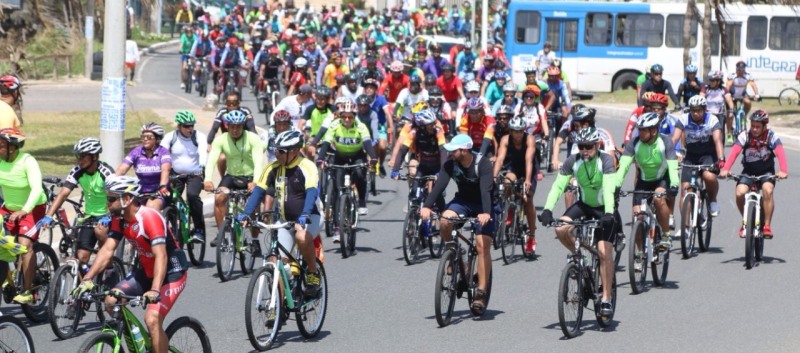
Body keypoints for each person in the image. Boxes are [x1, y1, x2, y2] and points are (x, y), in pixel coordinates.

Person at [72, 175, 189, 353]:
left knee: (152, 319)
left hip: (172, 272)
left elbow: (161, 256)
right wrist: (87, 278)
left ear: (126, 199)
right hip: (147, 271)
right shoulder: (119, 220)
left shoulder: (149, 218)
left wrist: (155, 290)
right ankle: (138, 341)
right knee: (111, 301)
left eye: (111, 199)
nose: (107, 203)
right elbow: (107, 250)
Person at [539, 127, 618, 316]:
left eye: (588, 147)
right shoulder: (573, 161)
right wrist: (548, 209)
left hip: (603, 208)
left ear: (597, 145)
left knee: (603, 251)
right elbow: (558, 185)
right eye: (581, 146)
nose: (584, 150)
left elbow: (608, 189)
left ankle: (606, 297)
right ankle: (579, 257)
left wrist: (608, 213)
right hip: (584, 205)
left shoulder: (605, 160)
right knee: (560, 229)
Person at [419, 134, 495, 314]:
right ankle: (454, 250)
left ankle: (481, 293)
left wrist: (486, 213)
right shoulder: (450, 165)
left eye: (454, 150)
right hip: (463, 202)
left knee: (481, 245)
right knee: (445, 220)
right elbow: (440, 187)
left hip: (485, 205)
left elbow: (486, 190)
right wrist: (427, 207)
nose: (450, 153)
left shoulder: (482, 164)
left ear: (465, 150)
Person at [240, 130, 322, 298]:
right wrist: (246, 214)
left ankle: (313, 273)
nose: (276, 154)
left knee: (301, 236)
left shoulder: (307, 166)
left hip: (310, 217)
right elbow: (258, 192)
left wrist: (305, 215)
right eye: (276, 150)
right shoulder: (272, 167)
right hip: (285, 220)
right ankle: (278, 306)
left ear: (294, 151)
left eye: (281, 151)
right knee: (274, 262)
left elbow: (312, 193)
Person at [37, 138, 115, 274]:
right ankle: (86, 287)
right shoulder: (77, 171)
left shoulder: (106, 172)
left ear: (94, 156)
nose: (79, 159)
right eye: (78, 156)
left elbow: (114, 197)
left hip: (108, 215)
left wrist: (108, 215)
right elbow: (63, 194)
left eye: (83, 156)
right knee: (81, 258)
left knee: (100, 231)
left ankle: (109, 269)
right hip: (90, 216)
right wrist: (48, 215)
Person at [616, 112, 680, 250]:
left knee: (658, 198)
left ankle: (666, 235)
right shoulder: (634, 143)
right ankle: (639, 256)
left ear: (654, 130)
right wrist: (615, 185)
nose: (640, 133)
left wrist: (674, 183)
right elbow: (623, 166)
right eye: (639, 129)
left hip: (662, 179)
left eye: (643, 130)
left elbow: (673, 166)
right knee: (638, 218)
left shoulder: (665, 141)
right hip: (643, 181)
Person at [719, 110, 789, 238]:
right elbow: (734, 152)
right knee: (740, 192)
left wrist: (783, 170)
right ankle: (746, 221)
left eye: (758, 127)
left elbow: (780, 153)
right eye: (753, 126)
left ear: (764, 126)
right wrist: (726, 169)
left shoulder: (771, 137)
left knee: (767, 190)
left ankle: (767, 225)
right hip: (749, 171)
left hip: (766, 172)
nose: (755, 129)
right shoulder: (744, 136)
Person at [316, 100, 378, 240]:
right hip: (340, 157)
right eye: (344, 116)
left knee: (360, 173)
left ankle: (362, 201)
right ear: (340, 116)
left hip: (357, 156)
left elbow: (367, 143)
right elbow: (326, 142)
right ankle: (338, 228)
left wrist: (373, 158)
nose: (347, 120)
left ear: (354, 116)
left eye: (350, 117)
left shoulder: (360, 127)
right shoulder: (335, 125)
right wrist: (320, 159)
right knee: (338, 192)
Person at [204, 110, 265, 246]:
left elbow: (258, 162)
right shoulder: (221, 139)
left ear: (243, 126)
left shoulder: (253, 138)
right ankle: (222, 235)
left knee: (254, 206)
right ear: (227, 126)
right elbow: (211, 160)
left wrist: (255, 181)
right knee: (219, 197)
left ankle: (255, 240)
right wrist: (208, 179)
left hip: (250, 176)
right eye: (232, 126)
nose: (235, 130)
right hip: (231, 176)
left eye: (238, 126)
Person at [0, 128, 46, 304]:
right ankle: (7, 279)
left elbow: (36, 189)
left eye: (1, 145)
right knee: (3, 244)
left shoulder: (28, 161)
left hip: (32, 208)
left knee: (24, 245)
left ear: (13, 147)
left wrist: (24, 210)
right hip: (9, 208)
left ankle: (27, 291)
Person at [674, 96, 724, 219]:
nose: (695, 113)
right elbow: (674, 139)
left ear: (704, 110)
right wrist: (670, 155)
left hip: (708, 154)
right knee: (685, 188)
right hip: (691, 155)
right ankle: (685, 228)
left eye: (699, 110)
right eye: (693, 110)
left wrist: (721, 160)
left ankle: (712, 201)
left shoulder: (712, 119)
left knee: (709, 176)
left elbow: (717, 140)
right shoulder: (684, 119)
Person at [493, 116, 538, 254]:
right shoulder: (505, 139)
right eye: (515, 131)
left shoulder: (529, 139)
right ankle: (510, 209)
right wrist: (494, 176)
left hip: (529, 170)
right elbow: (500, 159)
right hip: (514, 169)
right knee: (507, 182)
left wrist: (528, 180)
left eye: (520, 131)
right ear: (510, 131)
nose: (518, 134)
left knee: (527, 199)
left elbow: (529, 160)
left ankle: (531, 237)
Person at [161, 111, 208, 243]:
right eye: (186, 126)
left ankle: (199, 230)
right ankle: (172, 226)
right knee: (169, 197)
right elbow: (162, 154)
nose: (190, 129)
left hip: (195, 173)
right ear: (179, 126)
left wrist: (202, 167)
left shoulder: (199, 136)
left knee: (193, 196)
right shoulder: (170, 137)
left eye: (192, 125)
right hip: (176, 173)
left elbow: (203, 152)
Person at [116, 123, 171, 211]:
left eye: (149, 137)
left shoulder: (163, 152)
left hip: (159, 191)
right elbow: (122, 169)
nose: (145, 139)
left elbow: (166, 170)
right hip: (140, 191)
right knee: (124, 206)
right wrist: (112, 181)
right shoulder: (136, 152)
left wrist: (162, 186)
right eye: (143, 136)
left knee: (150, 207)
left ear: (157, 139)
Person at [701, 70, 735, 145]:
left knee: (720, 135)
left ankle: (721, 151)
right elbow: (701, 97)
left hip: (719, 115)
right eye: (710, 80)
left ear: (718, 81)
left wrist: (731, 111)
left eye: (713, 80)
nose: (711, 82)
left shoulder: (723, 90)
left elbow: (729, 101)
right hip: (708, 115)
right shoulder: (706, 89)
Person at [179, 26, 196, 90]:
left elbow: (196, 43)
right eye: (187, 32)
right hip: (185, 53)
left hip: (191, 54)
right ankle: (182, 82)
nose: (189, 33)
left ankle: (193, 75)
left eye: (190, 32)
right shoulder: (183, 36)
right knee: (183, 68)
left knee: (194, 64)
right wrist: (180, 49)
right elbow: (181, 43)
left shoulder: (194, 37)